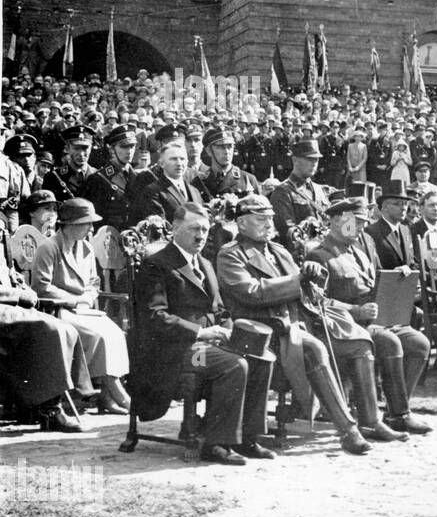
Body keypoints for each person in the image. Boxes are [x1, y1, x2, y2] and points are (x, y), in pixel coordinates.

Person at [217, 193, 403, 454]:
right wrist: (298, 281)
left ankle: (370, 421)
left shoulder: (279, 251)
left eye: (270, 219)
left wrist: (314, 279)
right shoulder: (231, 255)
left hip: (300, 322)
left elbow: (306, 287)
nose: (269, 225)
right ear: (242, 223)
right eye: (261, 219)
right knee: (314, 349)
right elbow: (252, 292)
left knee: (359, 343)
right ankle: (348, 431)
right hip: (262, 330)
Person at [131, 202, 276, 464]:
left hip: (205, 347)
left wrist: (232, 331)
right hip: (176, 352)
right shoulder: (156, 265)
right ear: (174, 229)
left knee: (259, 356)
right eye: (194, 229)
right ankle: (217, 444)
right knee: (233, 364)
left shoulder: (206, 264)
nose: (201, 236)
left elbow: (220, 310)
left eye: (206, 230)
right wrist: (201, 333)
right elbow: (155, 317)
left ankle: (247, 438)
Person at [307, 197, 433, 435]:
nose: (362, 228)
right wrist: (354, 310)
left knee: (419, 343)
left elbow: (373, 286)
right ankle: (393, 416)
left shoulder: (361, 254)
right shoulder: (319, 256)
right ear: (335, 221)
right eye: (355, 222)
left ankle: (397, 412)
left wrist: (395, 280)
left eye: (364, 222)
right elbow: (317, 301)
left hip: (373, 320)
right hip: (343, 326)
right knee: (389, 341)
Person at [30, 198, 133, 414]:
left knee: (114, 332)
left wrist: (88, 296)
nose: (90, 228)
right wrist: (74, 299)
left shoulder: (85, 247)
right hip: (57, 310)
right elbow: (41, 287)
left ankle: (108, 395)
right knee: (99, 335)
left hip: (83, 309)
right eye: (86, 223)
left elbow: (94, 282)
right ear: (71, 224)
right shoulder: (49, 247)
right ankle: (116, 392)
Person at [0, 234, 94, 431]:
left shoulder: (2, 241)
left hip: (10, 307)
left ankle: (67, 395)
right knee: (50, 330)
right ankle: (50, 410)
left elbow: (9, 275)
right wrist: (17, 294)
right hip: (4, 308)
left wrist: (22, 286)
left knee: (66, 329)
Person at [269, 139, 331, 243]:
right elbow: (288, 233)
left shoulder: (320, 190)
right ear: (295, 160)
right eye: (309, 159)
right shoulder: (283, 191)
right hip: (300, 251)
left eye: (316, 159)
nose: (314, 163)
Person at [131, 140, 206, 224]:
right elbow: (161, 226)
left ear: (187, 162)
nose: (179, 163)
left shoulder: (194, 191)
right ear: (161, 163)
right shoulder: (153, 191)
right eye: (173, 159)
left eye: (182, 159)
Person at [194, 126, 260, 203]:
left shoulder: (248, 179)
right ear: (209, 151)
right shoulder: (199, 182)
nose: (226, 151)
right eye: (220, 147)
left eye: (230, 146)